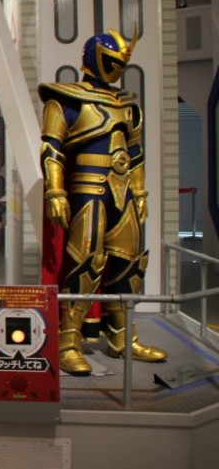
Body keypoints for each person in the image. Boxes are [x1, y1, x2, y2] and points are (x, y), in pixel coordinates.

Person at [39, 29, 166, 375]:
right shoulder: (65, 99)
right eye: (114, 61)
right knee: (85, 261)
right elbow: (51, 150)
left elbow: (135, 153)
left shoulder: (127, 104)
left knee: (129, 264)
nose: (118, 67)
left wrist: (139, 191)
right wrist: (55, 191)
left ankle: (122, 337)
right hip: (88, 188)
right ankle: (68, 342)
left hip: (123, 191)